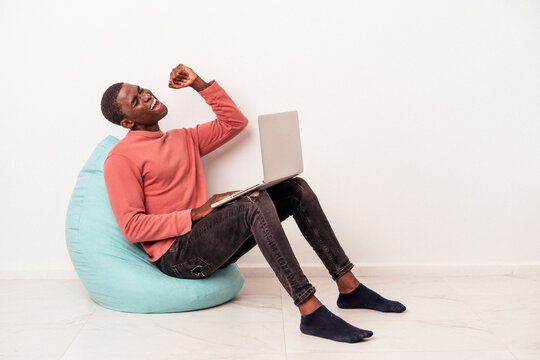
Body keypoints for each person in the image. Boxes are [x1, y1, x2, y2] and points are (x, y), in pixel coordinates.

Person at [101, 63, 406, 343]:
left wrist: (199, 84)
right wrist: (197, 212)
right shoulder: (121, 159)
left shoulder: (183, 138)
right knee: (250, 206)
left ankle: (349, 286)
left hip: (203, 238)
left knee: (294, 188)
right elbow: (132, 227)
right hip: (177, 255)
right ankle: (309, 310)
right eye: (136, 100)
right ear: (128, 121)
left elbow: (234, 122)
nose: (146, 95)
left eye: (141, 89)